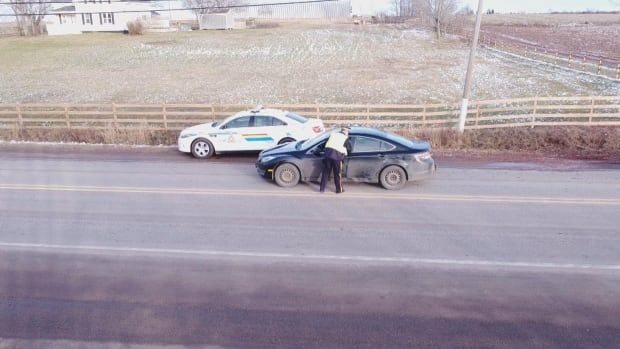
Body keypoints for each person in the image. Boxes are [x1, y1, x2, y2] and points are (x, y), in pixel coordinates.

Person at [319, 127, 352, 193]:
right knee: (337, 174)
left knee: (325, 173)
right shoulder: (345, 138)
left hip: (327, 156)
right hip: (337, 157)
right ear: (346, 132)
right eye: (348, 132)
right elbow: (349, 149)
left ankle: (322, 189)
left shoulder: (333, 134)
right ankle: (339, 190)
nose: (348, 134)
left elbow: (325, 144)